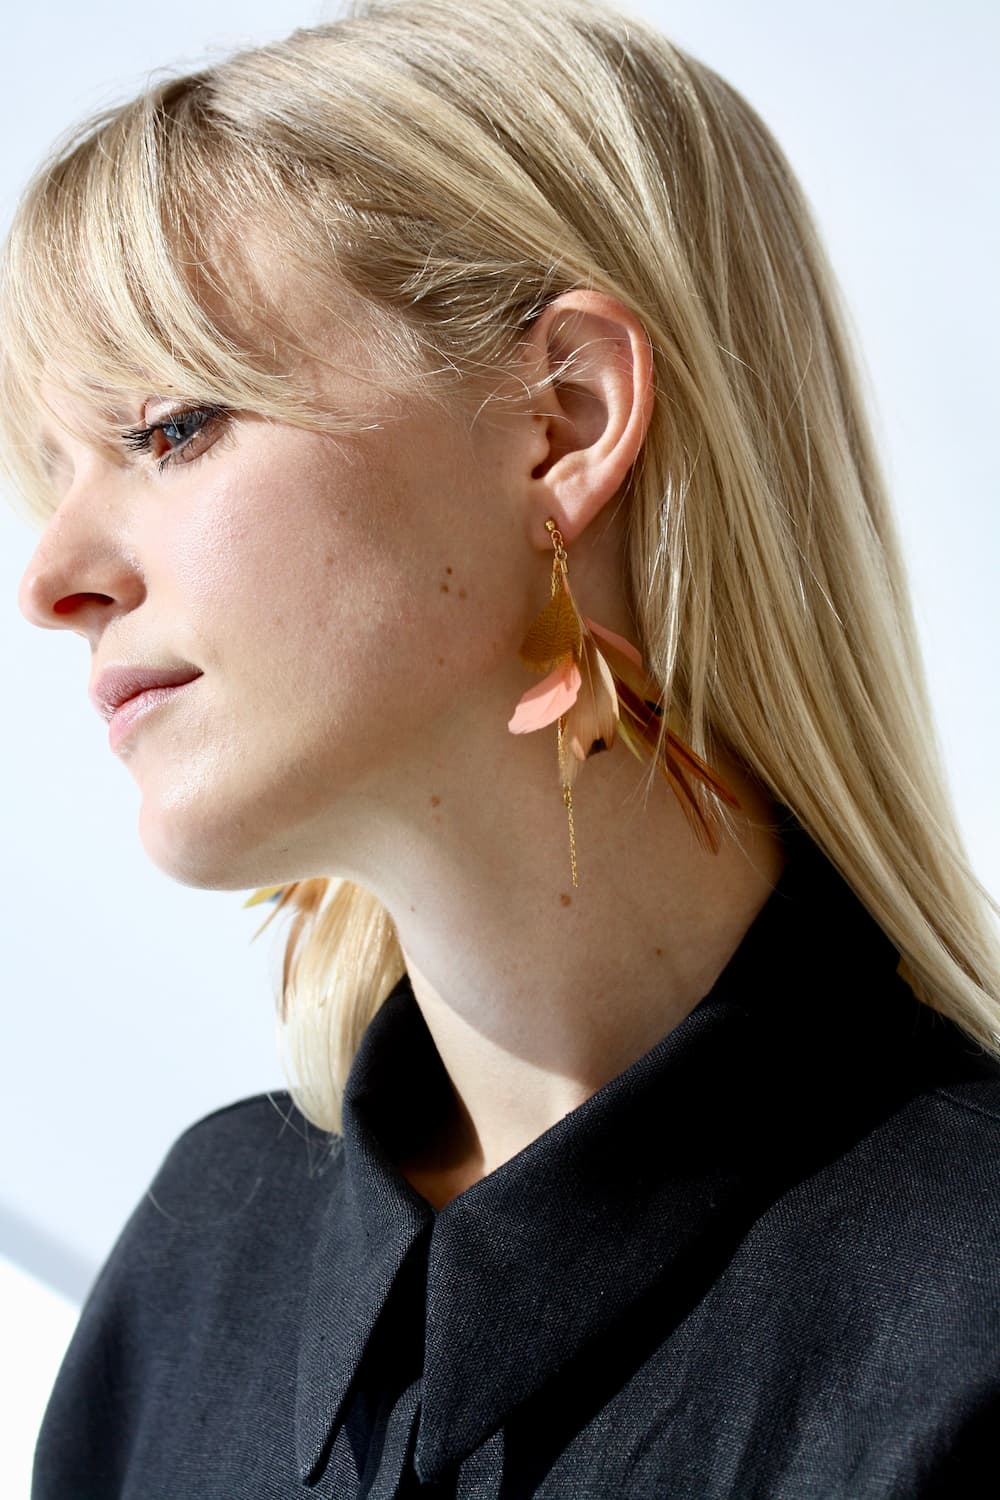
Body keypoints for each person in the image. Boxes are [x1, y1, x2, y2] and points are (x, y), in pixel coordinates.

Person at [4, 0, 998, 1494]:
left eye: (169, 428)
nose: (51, 580)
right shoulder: (204, 1260)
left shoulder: (973, 1318)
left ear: (562, 418)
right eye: (46, 472)